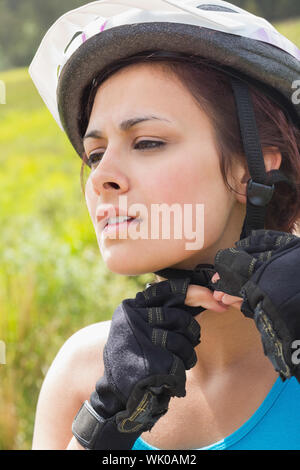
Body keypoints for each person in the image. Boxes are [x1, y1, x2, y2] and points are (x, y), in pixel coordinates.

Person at [29, 0, 300, 450]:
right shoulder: (84, 373)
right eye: (95, 154)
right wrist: (104, 423)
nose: (100, 177)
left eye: (148, 142)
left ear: (253, 166)